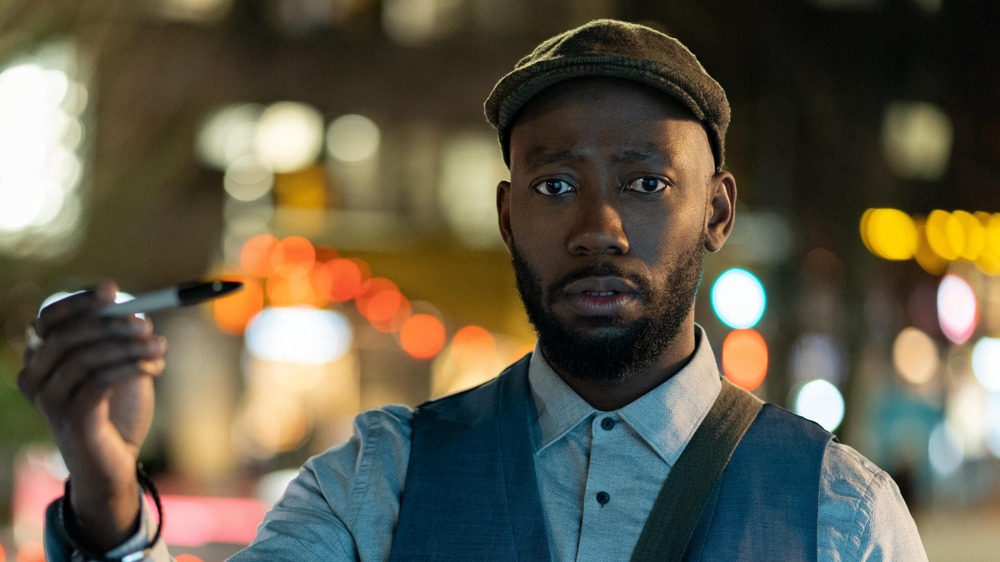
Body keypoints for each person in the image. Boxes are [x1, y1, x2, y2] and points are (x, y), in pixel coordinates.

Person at [18, 18, 927, 561]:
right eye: (556, 184)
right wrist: (105, 493)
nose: (599, 227)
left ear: (718, 212)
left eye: (647, 184)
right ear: (505, 213)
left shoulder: (836, 512)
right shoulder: (383, 484)